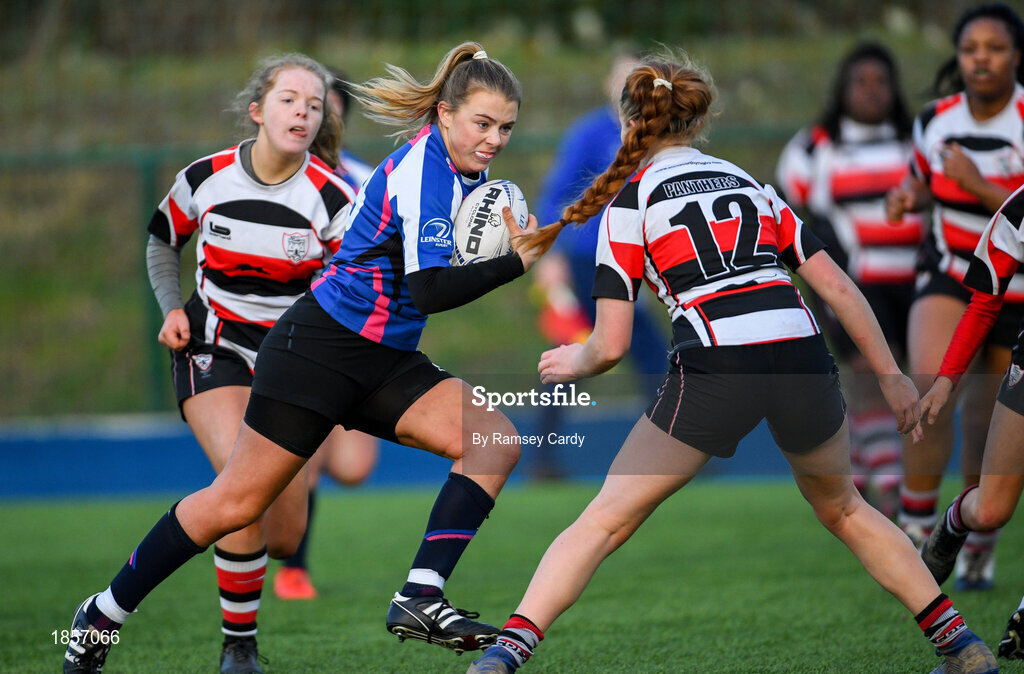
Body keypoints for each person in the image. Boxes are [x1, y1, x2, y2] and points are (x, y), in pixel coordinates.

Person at [466, 50, 997, 674]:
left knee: (604, 522)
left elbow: (609, 348)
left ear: (628, 124)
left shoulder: (631, 204)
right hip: (802, 358)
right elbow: (840, 290)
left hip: (720, 365)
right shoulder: (750, 186)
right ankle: (963, 647)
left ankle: (503, 655)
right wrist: (893, 377)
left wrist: (570, 363)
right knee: (848, 510)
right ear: (698, 119)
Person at [62, 41, 544, 673]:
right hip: (319, 347)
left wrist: (497, 241)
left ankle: (421, 594)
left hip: (384, 356)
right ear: (446, 115)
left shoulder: (465, 171)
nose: (495, 139)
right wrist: (515, 260)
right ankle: (101, 615)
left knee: (493, 441)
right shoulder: (424, 169)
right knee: (236, 506)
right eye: (483, 123)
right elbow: (429, 289)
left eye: (506, 127)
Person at [138, 53, 356, 673]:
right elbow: (163, 237)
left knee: (284, 536)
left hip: (293, 366)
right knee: (240, 489)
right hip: (212, 348)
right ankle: (239, 649)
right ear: (258, 111)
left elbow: (355, 289)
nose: (302, 113)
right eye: (289, 100)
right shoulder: (204, 178)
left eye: (313, 106)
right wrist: (169, 307)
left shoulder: (335, 198)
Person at [886, 1, 1024, 591]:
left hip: (1017, 285)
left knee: (987, 423)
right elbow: (922, 179)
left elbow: (1018, 217)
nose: (980, 60)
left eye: (994, 48)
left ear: (1016, 56)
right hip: (953, 271)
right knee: (927, 386)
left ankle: (972, 552)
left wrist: (976, 183)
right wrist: (908, 196)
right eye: (970, 50)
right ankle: (911, 535)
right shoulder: (935, 119)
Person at [776, 42, 921, 517]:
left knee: (903, 374)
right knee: (869, 377)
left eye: (881, 82)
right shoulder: (817, 146)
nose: (872, 92)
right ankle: (891, 483)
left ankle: (861, 471)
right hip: (854, 281)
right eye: (861, 82)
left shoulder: (915, 139)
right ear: (844, 88)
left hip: (916, 281)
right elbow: (792, 210)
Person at [530, 49, 667, 479]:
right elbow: (555, 198)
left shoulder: (661, 134)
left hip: (637, 261)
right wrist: (550, 256)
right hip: (590, 261)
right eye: (623, 77)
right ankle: (543, 458)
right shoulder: (590, 133)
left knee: (649, 356)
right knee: (577, 353)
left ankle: (674, 448)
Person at [272, 68, 381, 602]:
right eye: (304, 104)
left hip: (355, 331)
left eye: (323, 106)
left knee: (354, 467)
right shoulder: (269, 174)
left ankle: (277, 498)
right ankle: (294, 566)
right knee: (306, 451)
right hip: (295, 332)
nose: (312, 115)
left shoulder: (362, 178)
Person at [915, 183, 1024, 660]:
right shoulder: (1018, 210)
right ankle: (957, 519)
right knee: (993, 509)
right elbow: (985, 301)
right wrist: (945, 381)